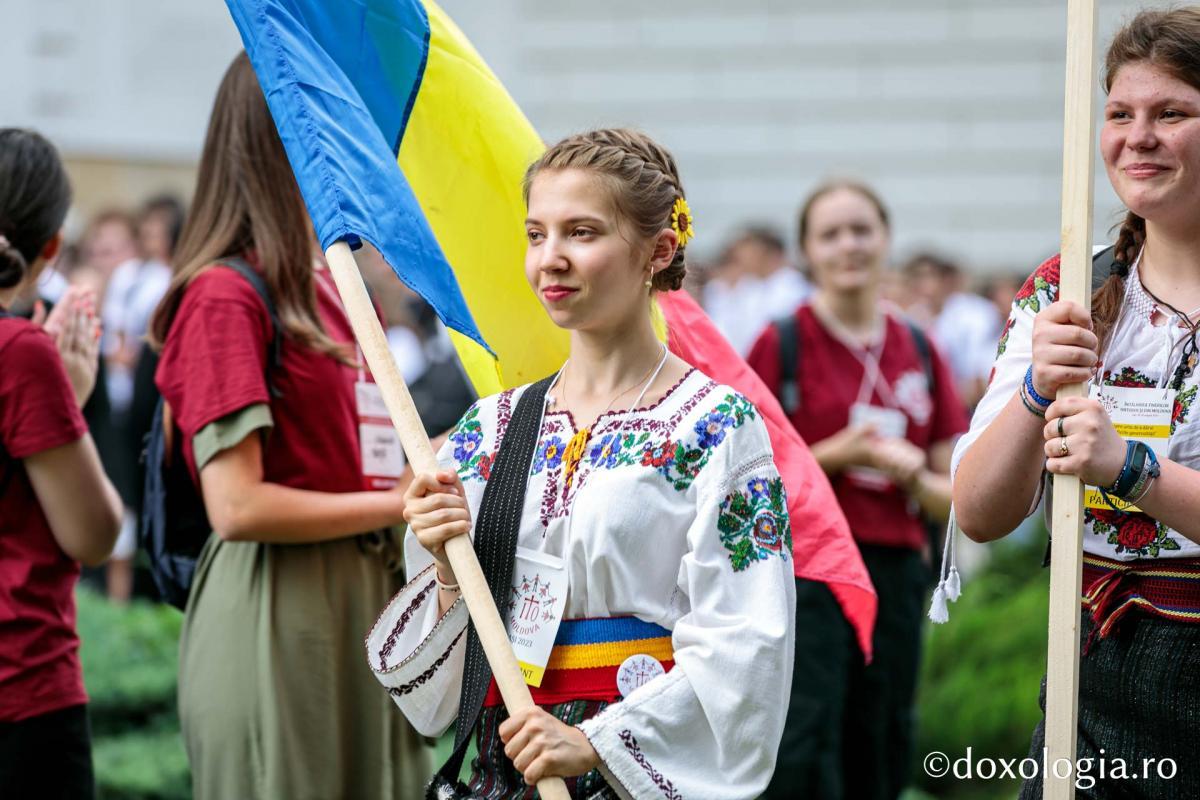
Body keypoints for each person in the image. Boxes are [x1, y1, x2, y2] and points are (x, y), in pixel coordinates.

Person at [367, 128, 796, 799]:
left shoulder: (714, 426)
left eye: (582, 233)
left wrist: (595, 741)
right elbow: (439, 696)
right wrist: (449, 566)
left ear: (659, 249)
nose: (551, 259)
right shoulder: (490, 429)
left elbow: (747, 637)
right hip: (504, 753)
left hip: (629, 763)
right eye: (537, 235)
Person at [147, 53, 426, 800]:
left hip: (369, 601)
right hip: (280, 610)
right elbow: (237, 508)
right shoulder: (224, 296)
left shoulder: (335, 293)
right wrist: (402, 503)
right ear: (285, 135)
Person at [953, 9, 1200, 798]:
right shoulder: (1066, 292)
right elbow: (979, 513)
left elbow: (1125, 471)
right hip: (1087, 688)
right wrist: (1035, 394)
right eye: (1120, 114)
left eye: (1172, 113)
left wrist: (1129, 467)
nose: (1139, 138)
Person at [745, 180, 968, 800]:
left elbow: (954, 493)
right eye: (831, 233)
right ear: (807, 251)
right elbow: (745, 481)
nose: (849, 245)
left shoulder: (920, 348)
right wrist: (843, 454)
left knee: (884, 729)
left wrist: (909, 474)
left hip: (895, 570)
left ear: (886, 239)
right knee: (804, 736)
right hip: (806, 574)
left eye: (862, 229)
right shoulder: (781, 342)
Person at [0, 128, 123, 799]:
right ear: (51, 247)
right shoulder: (21, 355)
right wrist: (66, 400)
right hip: (22, 688)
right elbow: (93, 534)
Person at [103, 195, 185, 601]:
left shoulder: (181, 276)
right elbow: (117, 330)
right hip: (136, 386)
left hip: (160, 384)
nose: (153, 237)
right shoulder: (133, 276)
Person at [902, 251, 1002, 410]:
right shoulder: (910, 318)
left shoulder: (975, 313)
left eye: (927, 277)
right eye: (915, 278)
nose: (921, 285)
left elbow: (977, 381)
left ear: (944, 281)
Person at [702, 225, 810, 356]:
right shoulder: (752, 287)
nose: (741, 258)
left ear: (763, 252)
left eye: (746, 251)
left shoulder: (792, 288)